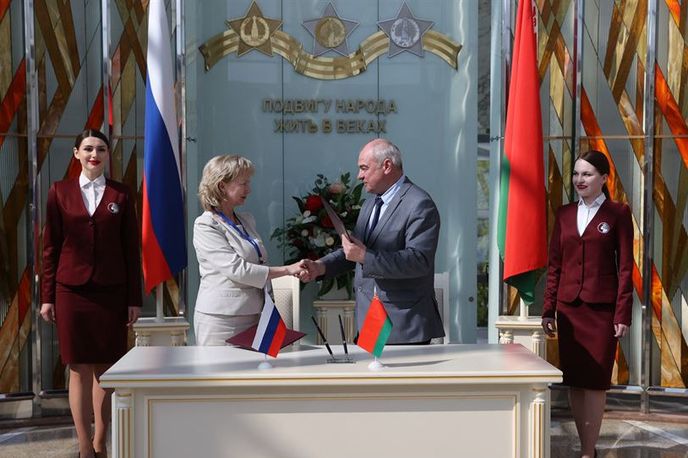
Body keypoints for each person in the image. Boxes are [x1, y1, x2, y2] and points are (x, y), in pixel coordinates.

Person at [40, 129, 141, 458]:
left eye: (101, 149)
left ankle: (101, 440)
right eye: (88, 149)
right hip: (71, 292)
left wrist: (134, 299)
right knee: (78, 367)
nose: (94, 154)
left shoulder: (121, 193)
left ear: (107, 155)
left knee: (106, 370)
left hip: (111, 293)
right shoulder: (59, 191)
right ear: (76, 154)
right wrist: (47, 297)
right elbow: (50, 248)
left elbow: (131, 250)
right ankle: (84, 445)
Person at [300, 138, 444, 344]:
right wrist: (321, 267)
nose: (359, 176)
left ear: (387, 166)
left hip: (403, 326)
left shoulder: (419, 204)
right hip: (371, 323)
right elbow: (355, 251)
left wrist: (365, 257)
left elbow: (418, 261)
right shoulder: (370, 204)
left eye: (364, 168)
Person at [541, 150, 633, 458]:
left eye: (587, 174)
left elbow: (626, 268)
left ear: (604, 178)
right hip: (569, 310)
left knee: (595, 382)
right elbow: (555, 265)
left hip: (601, 312)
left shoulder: (618, 213)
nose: (580, 179)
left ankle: (587, 450)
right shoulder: (565, 213)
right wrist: (548, 308)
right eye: (576, 173)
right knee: (576, 382)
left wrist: (622, 313)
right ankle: (587, 448)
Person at [193, 155, 305, 345]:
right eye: (243, 183)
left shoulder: (247, 220)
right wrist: (287, 270)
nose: (249, 189)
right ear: (222, 186)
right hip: (221, 320)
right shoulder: (206, 224)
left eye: (248, 183)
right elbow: (237, 270)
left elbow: (259, 261)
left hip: (256, 314)